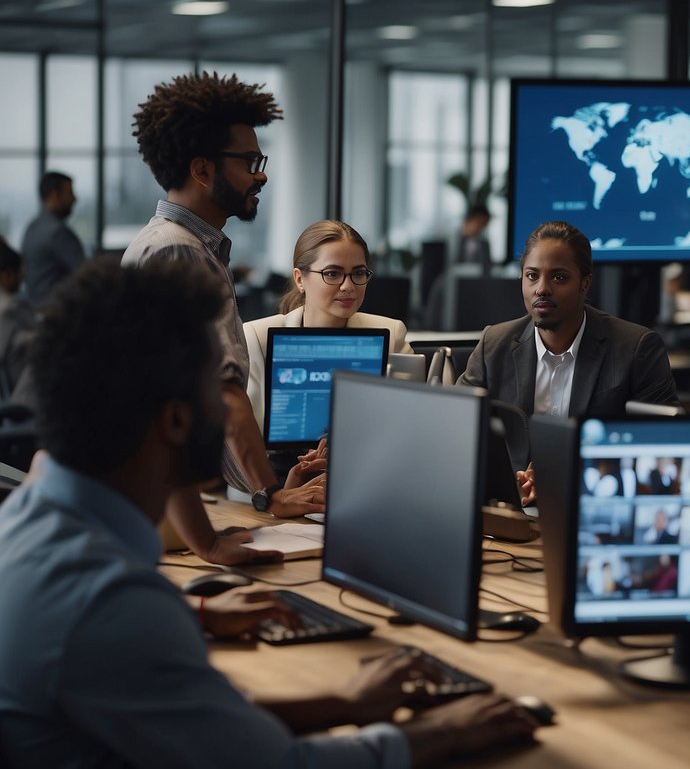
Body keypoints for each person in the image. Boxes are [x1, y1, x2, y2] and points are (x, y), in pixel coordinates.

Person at [0, 260, 537, 768]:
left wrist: (344, 702)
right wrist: (443, 732)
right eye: (222, 388)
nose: (231, 411)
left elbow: (194, 722)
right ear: (175, 421)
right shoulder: (108, 603)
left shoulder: (30, 520)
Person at [123, 72, 324, 564]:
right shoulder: (182, 253)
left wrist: (262, 489)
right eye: (250, 162)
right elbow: (226, 398)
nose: (262, 175)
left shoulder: (162, 243)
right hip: (145, 511)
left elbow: (178, 409)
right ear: (202, 169)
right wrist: (269, 494)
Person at [459, 220, 681, 501]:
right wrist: (503, 481)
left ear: (585, 283)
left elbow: (661, 446)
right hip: (510, 511)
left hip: (591, 504)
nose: (542, 288)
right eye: (532, 276)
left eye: (559, 277)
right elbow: (456, 431)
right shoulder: (494, 344)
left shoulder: (636, 348)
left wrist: (569, 473)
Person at [244, 220, 413, 436]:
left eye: (359, 273)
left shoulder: (391, 334)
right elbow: (246, 436)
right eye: (332, 273)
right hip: (279, 467)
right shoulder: (258, 338)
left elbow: (405, 427)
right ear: (299, 279)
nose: (348, 286)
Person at [21, 171, 85, 308]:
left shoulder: (32, 228)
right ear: (55, 195)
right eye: (70, 193)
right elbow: (87, 273)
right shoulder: (58, 233)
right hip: (59, 313)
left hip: (35, 310)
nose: (74, 199)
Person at [0, 240, 36, 400]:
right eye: (20, 273)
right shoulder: (9, 308)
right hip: (22, 397)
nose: (22, 278)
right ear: (7, 275)